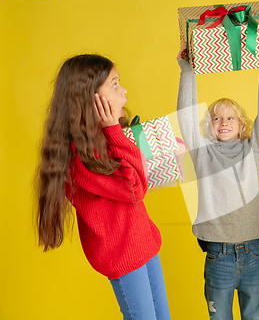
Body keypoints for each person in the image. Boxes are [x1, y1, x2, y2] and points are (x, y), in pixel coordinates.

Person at [35, 54, 171, 320]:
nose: (125, 91)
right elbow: (134, 189)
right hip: (122, 256)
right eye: (116, 84)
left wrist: (114, 132)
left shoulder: (106, 139)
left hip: (145, 245)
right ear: (91, 99)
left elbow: (137, 180)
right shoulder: (81, 158)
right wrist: (113, 130)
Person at [176, 48, 259, 320]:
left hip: (254, 251)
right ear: (209, 125)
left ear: (241, 123)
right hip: (218, 255)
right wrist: (188, 71)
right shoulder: (202, 152)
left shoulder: (252, 148)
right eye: (216, 117)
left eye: (230, 117)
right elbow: (184, 116)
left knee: (255, 317)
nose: (223, 122)